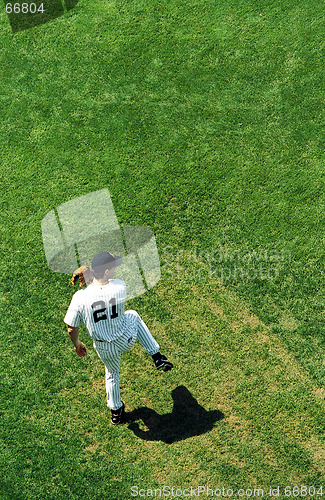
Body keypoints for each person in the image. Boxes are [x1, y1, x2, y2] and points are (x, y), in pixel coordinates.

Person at [64, 251, 173, 425]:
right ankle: (157, 356)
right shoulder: (119, 287)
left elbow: (71, 327)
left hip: (104, 348)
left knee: (112, 373)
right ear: (106, 271)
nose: (115, 268)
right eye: (112, 266)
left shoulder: (80, 297)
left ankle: (116, 411)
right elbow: (104, 284)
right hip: (125, 338)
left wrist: (77, 344)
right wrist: (92, 272)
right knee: (133, 315)